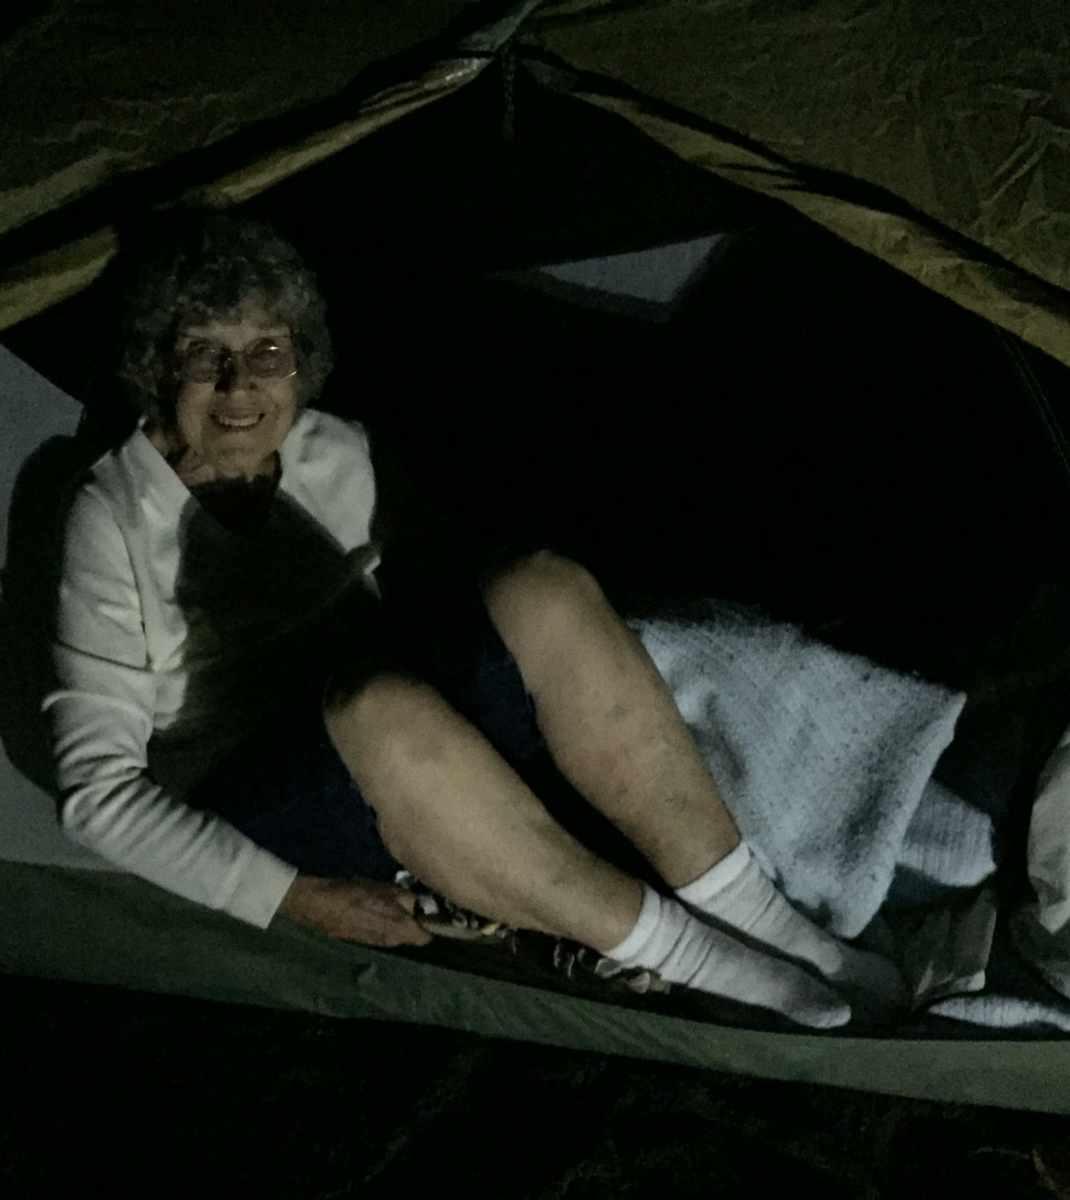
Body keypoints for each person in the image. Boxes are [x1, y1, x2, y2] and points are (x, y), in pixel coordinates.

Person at [44, 210, 904, 1030]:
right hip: (269, 792)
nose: (240, 387)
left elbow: (459, 597)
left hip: (402, 735)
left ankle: (766, 924)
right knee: (379, 702)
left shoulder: (332, 447)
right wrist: (294, 899)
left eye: (267, 351)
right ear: (158, 366)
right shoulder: (113, 513)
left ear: (300, 362)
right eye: (205, 355)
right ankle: (707, 966)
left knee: (540, 584)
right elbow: (98, 797)